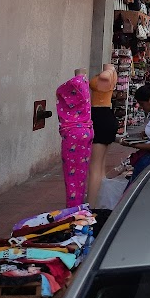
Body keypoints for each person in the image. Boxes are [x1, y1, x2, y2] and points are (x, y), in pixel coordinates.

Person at [56, 72, 94, 207]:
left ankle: (73, 207)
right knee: (81, 172)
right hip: (86, 129)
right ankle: (79, 204)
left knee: (71, 174)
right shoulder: (84, 87)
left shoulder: (72, 86)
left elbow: (60, 91)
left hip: (73, 133)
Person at [86, 64, 117, 207]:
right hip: (104, 116)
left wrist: (107, 70)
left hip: (100, 117)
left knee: (95, 167)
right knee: (100, 166)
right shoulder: (111, 73)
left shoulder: (108, 73)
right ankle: (100, 201)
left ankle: (91, 206)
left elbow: (104, 77)